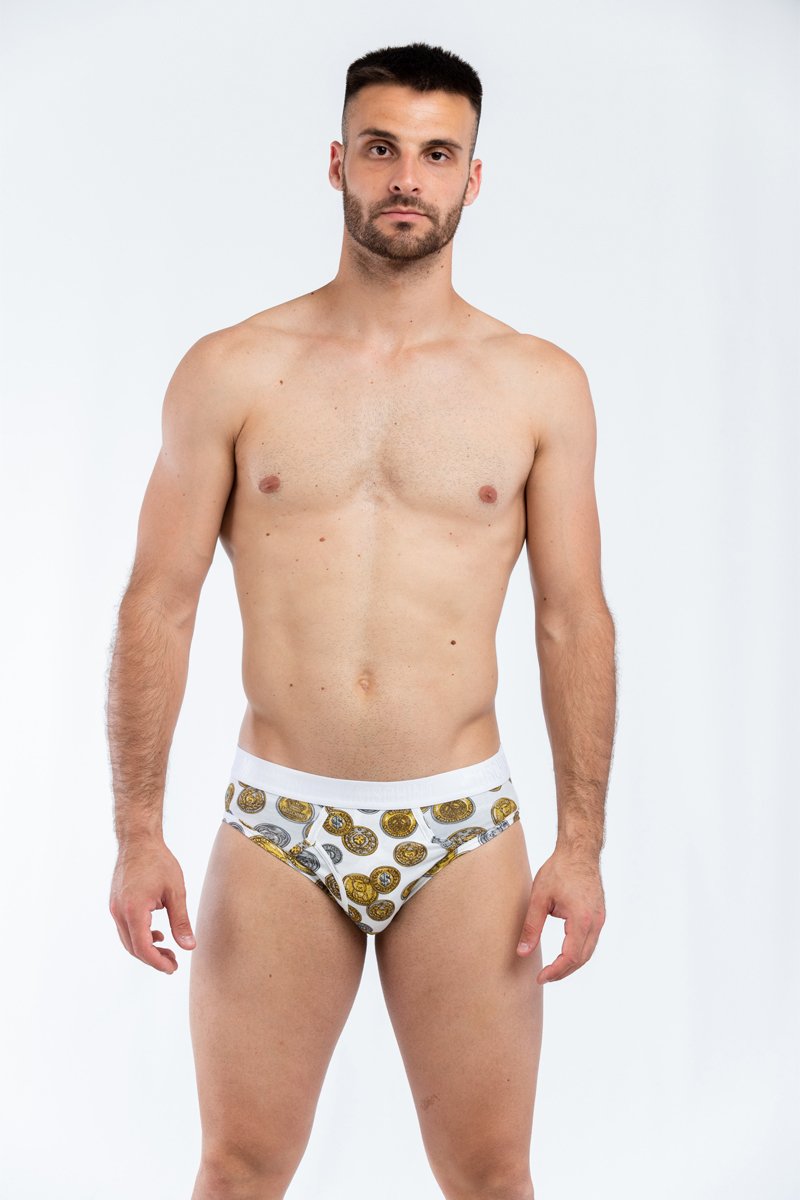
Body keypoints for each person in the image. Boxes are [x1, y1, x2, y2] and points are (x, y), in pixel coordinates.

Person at [106, 40, 616, 1200]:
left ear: (471, 179)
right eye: (381, 148)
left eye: (435, 155)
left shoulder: (538, 385)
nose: (405, 178)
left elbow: (571, 621)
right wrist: (137, 831)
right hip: (281, 821)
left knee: (490, 1175)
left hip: (461, 826)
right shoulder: (232, 369)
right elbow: (158, 603)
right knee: (239, 1168)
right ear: (338, 161)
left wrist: (580, 845)